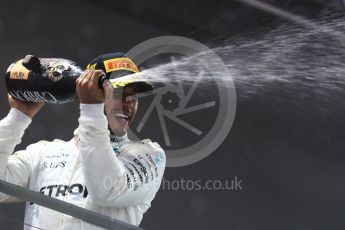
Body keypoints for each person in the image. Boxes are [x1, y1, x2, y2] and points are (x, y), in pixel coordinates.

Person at [0, 52, 166, 229]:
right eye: (117, 92)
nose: (128, 104)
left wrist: (92, 110)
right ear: (86, 90)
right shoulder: (43, 153)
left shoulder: (148, 156)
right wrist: (17, 117)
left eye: (133, 97)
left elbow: (105, 190)